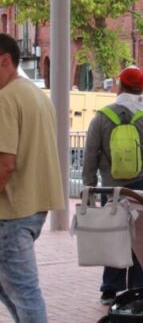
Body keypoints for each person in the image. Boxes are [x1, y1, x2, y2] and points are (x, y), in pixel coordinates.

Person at [83, 66, 143, 305]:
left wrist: (89, 185)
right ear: (142, 87)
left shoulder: (103, 116)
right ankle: (140, 283)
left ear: (120, 85)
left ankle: (110, 288)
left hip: (112, 187)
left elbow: (90, 153)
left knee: (114, 233)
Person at [0, 34, 65, 323]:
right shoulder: (37, 94)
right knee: (10, 286)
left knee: (24, 291)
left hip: (12, 209)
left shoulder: (5, 99)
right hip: (34, 206)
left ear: (4, 61)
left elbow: (5, 164)